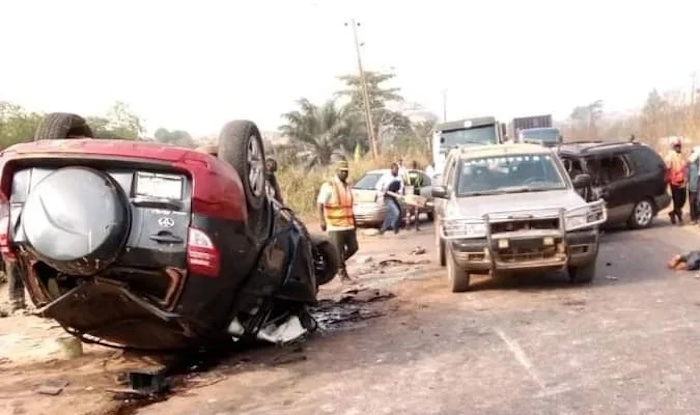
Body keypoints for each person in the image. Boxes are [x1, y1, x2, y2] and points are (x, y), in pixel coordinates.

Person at [316, 160, 358, 283]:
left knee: (353, 248)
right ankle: (342, 274)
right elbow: (320, 203)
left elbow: (349, 206)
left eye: (346, 171)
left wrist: (354, 222)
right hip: (335, 226)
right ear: (337, 171)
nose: (345, 173)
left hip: (348, 225)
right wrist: (322, 220)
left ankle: (335, 263)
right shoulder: (329, 185)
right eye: (342, 171)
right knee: (338, 250)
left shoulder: (348, 186)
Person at [664, 137, 688, 225]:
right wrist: (669, 179)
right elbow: (668, 168)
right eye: (676, 146)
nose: (678, 147)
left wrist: (685, 179)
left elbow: (685, 168)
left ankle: (673, 213)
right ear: (674, 147)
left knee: (683, 200)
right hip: (674, 182)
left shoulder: (682, 155)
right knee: (677, 200)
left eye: (679, 146)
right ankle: (679, 218)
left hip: (682, 180)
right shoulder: (670, 155)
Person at [376, 162, 404, 235]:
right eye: (395, 170)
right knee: (396, 212)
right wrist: (383, 190)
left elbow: (401, 187)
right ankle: (393, 226)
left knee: (392, 214)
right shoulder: (386, 177)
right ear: (391, 169)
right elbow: (378, 186)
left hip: (394, 197)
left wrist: (399, 192)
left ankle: (383, 229)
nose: (396, 171)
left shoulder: (399, 177)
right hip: (387, 198)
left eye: (397, 170)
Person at [405, 160, 424, 231]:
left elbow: (404, 182)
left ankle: (407, 224)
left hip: (408, 192)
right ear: (416, 166)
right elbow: (421, 183)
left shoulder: (407, 174)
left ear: (410, 166)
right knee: (416, 209)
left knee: (408, 210)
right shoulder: (419, 174)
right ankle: (416, 225)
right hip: (416, 192)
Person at [688, 147, 700, 224]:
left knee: (698, 202)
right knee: (692, 202)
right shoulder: (691, 165)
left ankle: (697, 218)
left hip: (698, 186)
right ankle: (693, 218)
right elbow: (687, 175)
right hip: (692, 187)